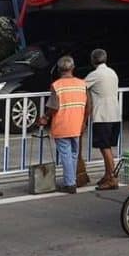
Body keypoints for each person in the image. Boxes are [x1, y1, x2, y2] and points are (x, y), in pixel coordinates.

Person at [38, 56, 88, 194]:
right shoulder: (82, 84)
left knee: (65, 154)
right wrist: (84, 121)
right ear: (72, 68)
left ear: (59, 69)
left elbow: (54, 107)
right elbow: (88, 104)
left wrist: (45, 117)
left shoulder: (57, 85)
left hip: (62, 124)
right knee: (73, 153)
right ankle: (71, 180)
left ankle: (70, 183)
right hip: (77, 124)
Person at [84, 49, 121, 190]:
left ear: (93, 60)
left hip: (102, 115)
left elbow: (81, 85)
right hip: (115, 114)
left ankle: (112, 177)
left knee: (105, 148)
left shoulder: (95, 74)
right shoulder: (112, 72)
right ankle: (107, 175)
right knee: (108, 147)